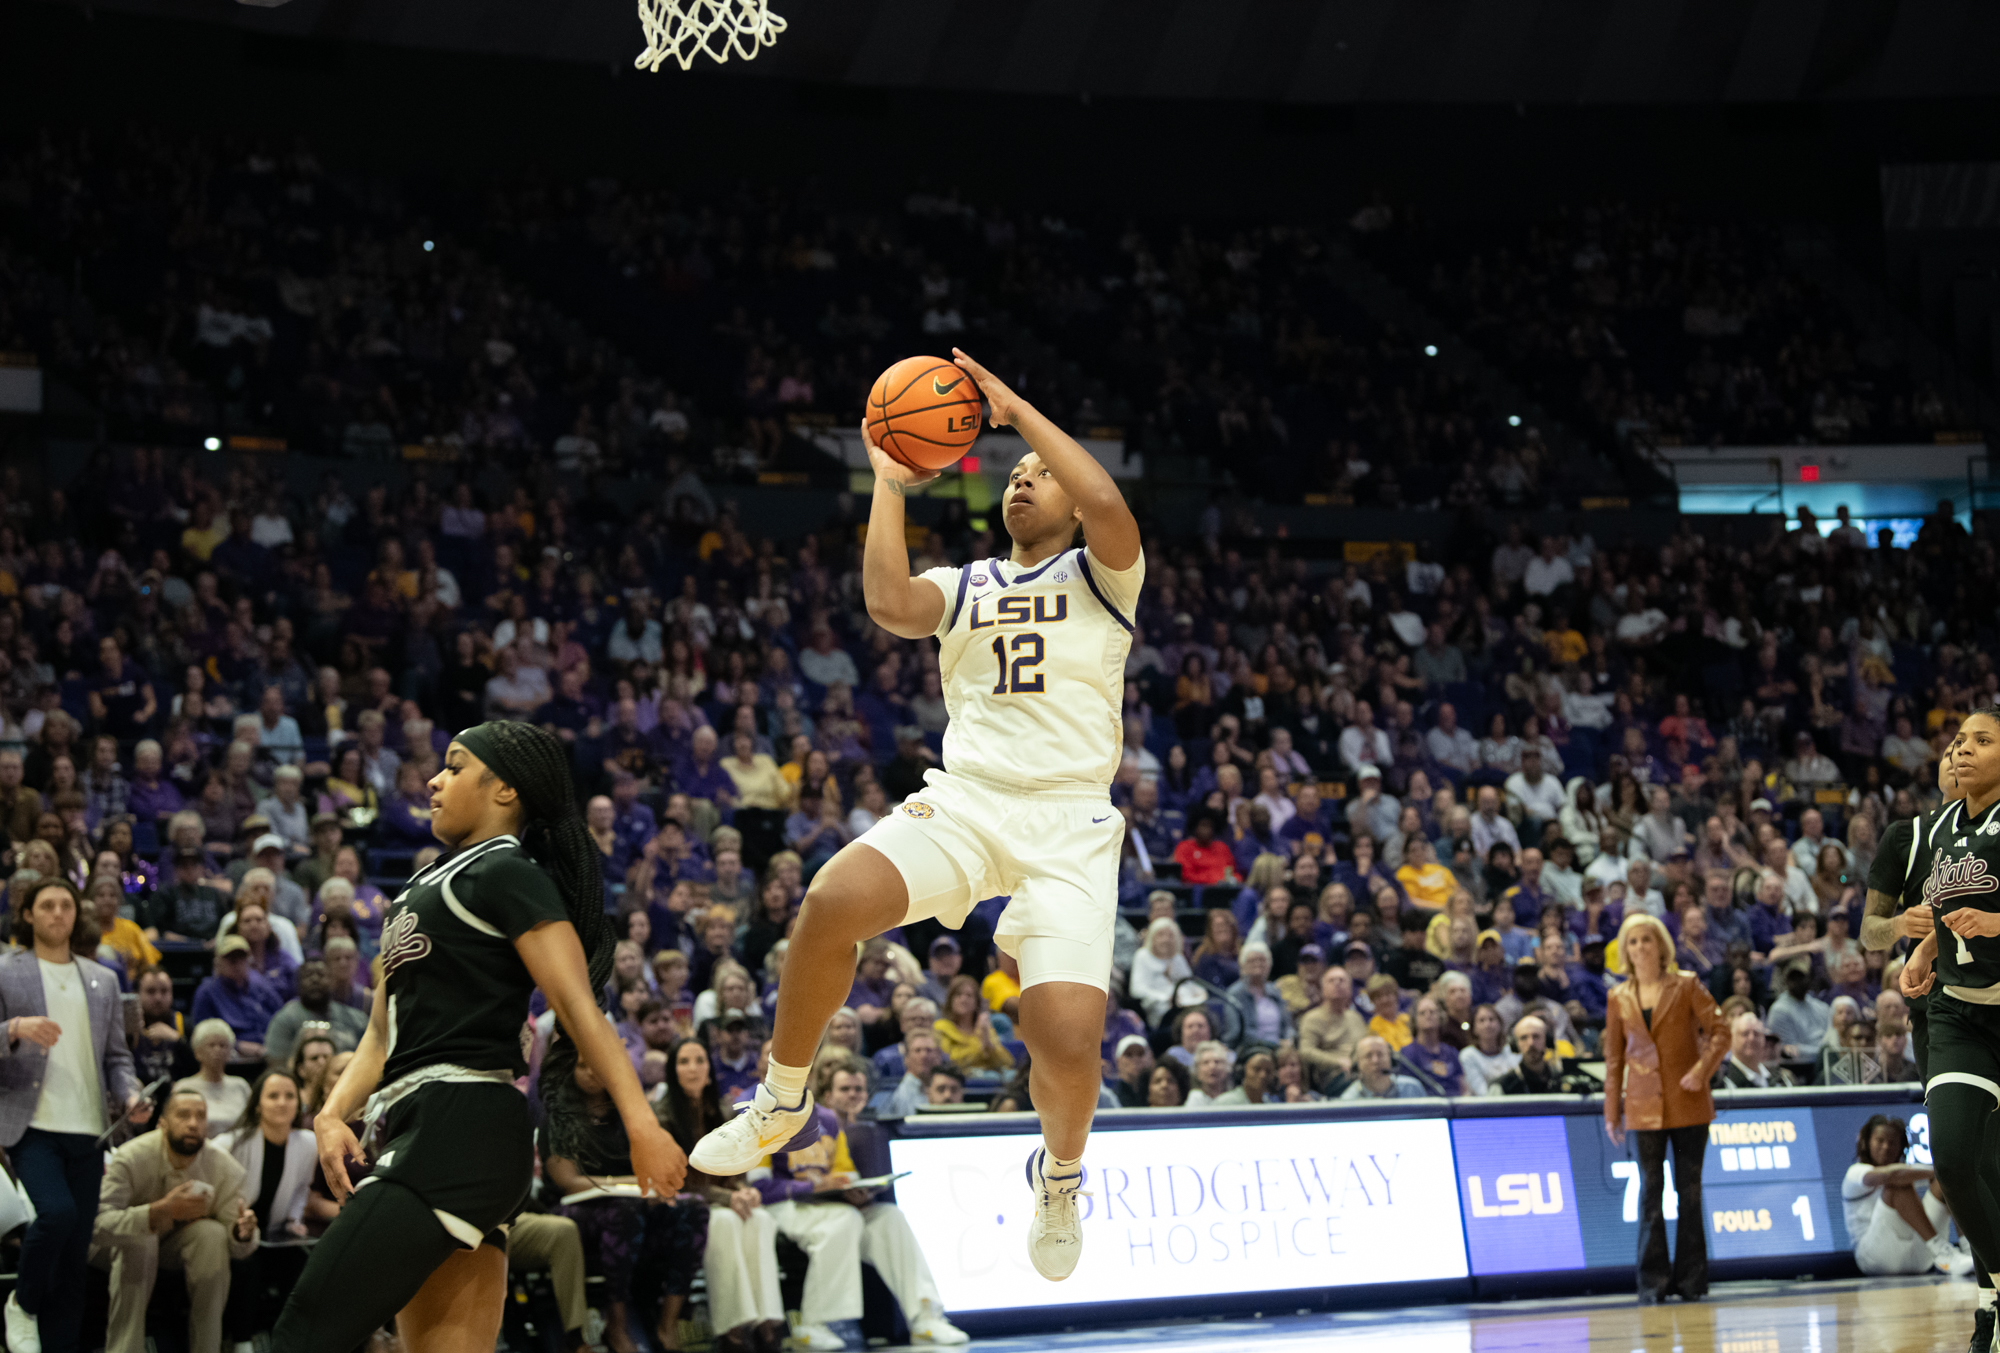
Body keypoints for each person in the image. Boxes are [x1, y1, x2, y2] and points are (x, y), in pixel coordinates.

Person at [689, 349, 1145, 1284]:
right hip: (969, 802)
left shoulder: (1105, 578)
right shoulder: (968, 583)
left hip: (1068, 826)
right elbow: (889, 602)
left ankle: (1059, 1174)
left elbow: (1110, 506)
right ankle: (782, 1099)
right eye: (1013, 474)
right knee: (828, 900)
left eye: (1039, 473)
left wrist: (1018, 411)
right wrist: (888, 481)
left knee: (1065, 1043)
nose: (1024, 479)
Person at [269, 721, 685, 1353]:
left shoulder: (507, 873)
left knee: (304, 1334)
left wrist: (643, 1126)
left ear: (505, 790)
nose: (435, 779)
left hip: (459, 1123)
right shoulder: (421, 885)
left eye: (456, 766)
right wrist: (329, 1114)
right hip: (425, 1124)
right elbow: (381, 1030)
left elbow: (577, 1007)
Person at [0, 877, 151, 1353]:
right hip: (32, 1124)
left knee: (73, 1264)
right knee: (57, 1214)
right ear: (28, 914)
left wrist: (130, 1096)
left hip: (89, 1129)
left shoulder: (103, 978)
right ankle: (20, 1305)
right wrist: (14, 1028)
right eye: (47, 905)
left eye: (66, 905)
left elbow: (117, 1059)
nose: (58, 913)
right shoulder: (6, 971)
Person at [1898, 707, 2000, 1338]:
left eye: (1982, 741)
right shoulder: (1938, 829)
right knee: (1955, 1160)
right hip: (1958, 1013)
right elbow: (1941, 905)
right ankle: (1996, 1292)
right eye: (1958, 741)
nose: (1961, 751)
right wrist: (1923, 949)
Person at [1603, 912, 1729, 1305]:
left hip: (1688, 1103)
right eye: (1633, 941)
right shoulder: (1618, 997)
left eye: (1647, 939)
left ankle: (1692, 1281)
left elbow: (1721, 1032)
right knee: (1649, 1194)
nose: (1640, 947)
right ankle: (1652, 1282)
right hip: (1641, 1106)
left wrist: (1701, 1070)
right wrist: (1612, 1112)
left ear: (1661, 946)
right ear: (1626, 950)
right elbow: (1614, 1061)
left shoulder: (1687, 985)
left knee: (1689, 1192)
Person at [92, 1088, 261, 1353]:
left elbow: (239, 1245)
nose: (193, 1123)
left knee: (212, 1234)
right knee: (142, 1239)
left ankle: (207, 1348)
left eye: (201, 1116)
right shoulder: (130, 1157)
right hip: (116, 1248)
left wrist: (243, 1234)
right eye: (183, 1115)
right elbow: (96, 1226)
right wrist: (157, 1212)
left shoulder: (226, 1169)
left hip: (172, 1248)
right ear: (162, 1122)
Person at [655, 1038, 785, 1353]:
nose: (693, 1068)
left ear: (709, 1070)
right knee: (725, 1222)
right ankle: (733, 1330)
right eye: (684, 1061)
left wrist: (744, 1190)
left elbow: (734, 1168)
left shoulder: (722, 1111)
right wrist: (727, 1198)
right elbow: (676, 1179)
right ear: (673, 1071)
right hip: (679, 1205)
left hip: (719, 1201)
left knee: (761, 1218)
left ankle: (767, 1323)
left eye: (699, 1060)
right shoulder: (662, 1116)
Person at [223, 1069, 318, 1344]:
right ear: (257, 1105)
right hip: (237, 1234)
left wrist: (293, 1218)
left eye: (289, 1096)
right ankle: (242, 1342)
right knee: (247, 1267)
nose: (282, 1102)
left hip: (276, 1236)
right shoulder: (232, 1142)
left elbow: (302, 1188)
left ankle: (292, 1342)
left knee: (305, 1263)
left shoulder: (308, 1142)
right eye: (273, 1096)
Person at [1842, 1113, 1974, 1276]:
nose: (1886, 1147)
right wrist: (1938, 1170)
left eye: (1892, 1143)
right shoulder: (1855, 1172)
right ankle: (1941, 1251)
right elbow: (1888, 1176)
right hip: (1875, 1258)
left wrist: (1944, 1174)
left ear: (1901, 1147)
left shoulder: (1905, 1170)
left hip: (1919, 1258)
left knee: (1946, 1180)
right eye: (1880, 1141)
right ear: (1867, 1142)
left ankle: (1971, 1251)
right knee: (1897, 1183)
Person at [261, 958, 370, 1068]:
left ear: (332, 981)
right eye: (308, 975)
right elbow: (276, 1067)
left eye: (321, 975)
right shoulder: (284, 1019)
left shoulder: (356, 1018)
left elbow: (370, 1057)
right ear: (298, 983)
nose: (315, 979)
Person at [176, 1019, 252, 1136]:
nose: (217, 1050)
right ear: (197, 1052)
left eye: (223, 1045)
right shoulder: (184, 1087)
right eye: (211, 1045)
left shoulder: (241, 1085)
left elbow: (252, 1124)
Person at [1713, 1012, 1797, 1089]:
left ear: (1763, 1039)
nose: (1751, 1038)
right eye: (1745, 1034)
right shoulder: (1722, 1081)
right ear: (1731, 1040)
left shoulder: (1782, 1078)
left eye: (1756, 1034)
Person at [1337, 1035, 1425, 1100]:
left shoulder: (1412, 1088)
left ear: (1391, 1059)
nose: (1375, 1061)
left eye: (1380, 1054)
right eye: (1368, 1056)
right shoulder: (1348, 1100)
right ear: (1357, 1065)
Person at [1460, 1005, 1520, 1097]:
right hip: (1483, 1107)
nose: (1487, 1025)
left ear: (1500, 1024)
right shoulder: (1468, 1055)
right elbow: (1482, 1092)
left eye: (1491, 1019)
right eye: (1481, 1020)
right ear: (1474, 1028)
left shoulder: (1510, 1050)